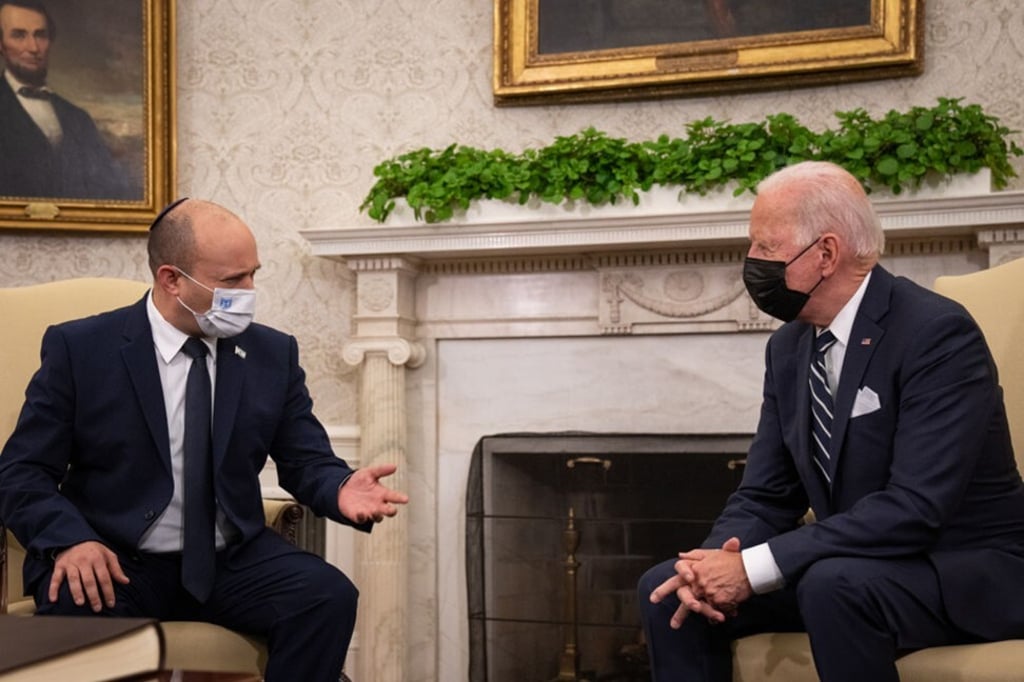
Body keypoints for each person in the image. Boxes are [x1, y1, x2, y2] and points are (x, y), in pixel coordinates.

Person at [637, 161, 1024, 681]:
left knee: (832, 584)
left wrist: (754, 568)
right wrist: (709, 565)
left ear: (825, 253)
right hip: (854, 566)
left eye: (766, 248)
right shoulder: (789, 347)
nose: (751, 263)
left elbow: (916, 507)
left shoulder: (935, 332)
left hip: (961, 570)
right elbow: (767, 494)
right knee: (667, 590)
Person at [0, 198, 409, 681]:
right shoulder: (82, 349)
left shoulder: (271, 354)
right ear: (172, 279)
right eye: (233, 281)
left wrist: (339, 487)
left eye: (253, 274)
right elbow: (22, 472)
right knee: (77, 598)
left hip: (227, 560)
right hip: (113, 555)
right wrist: (71, 541)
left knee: (326, 595)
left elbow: (306, 460)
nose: (250, 292)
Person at [0, 0, 133, 199]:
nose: (33, 47)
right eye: (19, 35)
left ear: (50, 41)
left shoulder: (79, 118)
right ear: (1, 45)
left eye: (40, 35)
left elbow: (112, 191)